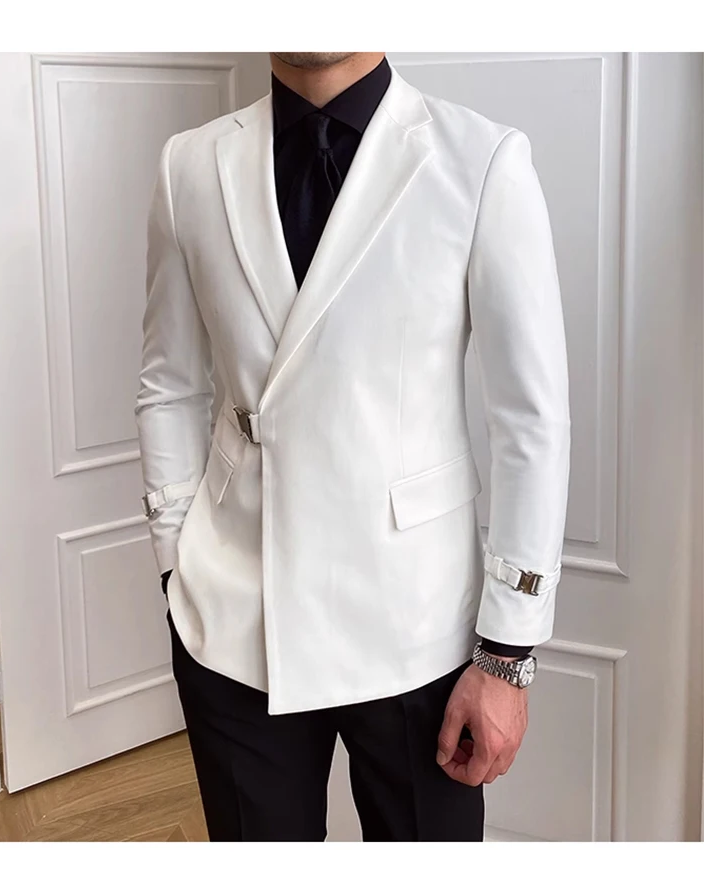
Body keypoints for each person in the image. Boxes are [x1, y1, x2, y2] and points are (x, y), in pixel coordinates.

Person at [135, 51, 570, 842]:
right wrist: (175, 560)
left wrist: (507, 652)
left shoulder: (480, 161)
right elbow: (169, 383)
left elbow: (530, 423)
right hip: (233, 618)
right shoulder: (188, 166)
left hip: (419, 628)